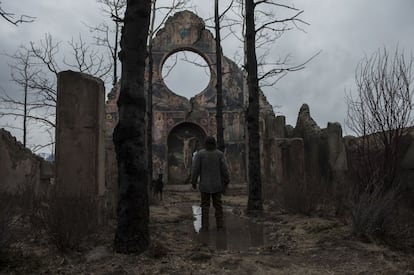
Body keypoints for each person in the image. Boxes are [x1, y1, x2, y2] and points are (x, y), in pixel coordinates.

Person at [191, 136, 229, 230]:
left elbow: (195, 169)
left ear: (206, 144)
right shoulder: (219, 154)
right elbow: (224, 169)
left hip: (204, 185)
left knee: (205, 206)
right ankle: (219, 225)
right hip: (217, 184)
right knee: (218, 206)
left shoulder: (200, 154)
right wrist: (226, 180)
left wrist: (194, 181)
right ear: (214, 144)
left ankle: (205, 226)